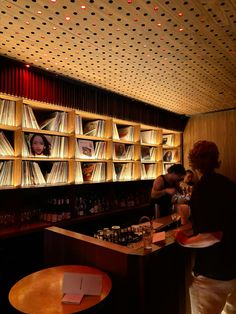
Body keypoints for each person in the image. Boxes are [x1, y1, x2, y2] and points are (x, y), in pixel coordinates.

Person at [175, 140, 236, 314]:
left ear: (193, 162)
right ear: (216, 159)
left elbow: (213, 235)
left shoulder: (202, 188)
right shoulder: (229, 184)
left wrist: (185, 240)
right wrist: (187, 218)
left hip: (212, 274)